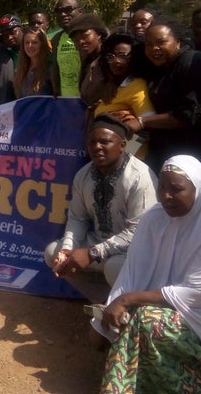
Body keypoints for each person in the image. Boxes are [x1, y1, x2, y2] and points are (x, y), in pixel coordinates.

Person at [83, 155, 201, 393]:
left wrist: (126, 300)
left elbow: (189, 295)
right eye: (162, 187)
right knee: (128, 318)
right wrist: (105, 318)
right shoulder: (154, 217)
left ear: (199, 191)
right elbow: (132, 273)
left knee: (146, 321)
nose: (166, 196)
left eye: (177, 189)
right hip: (160, 308)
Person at [47, 114, 157, 299]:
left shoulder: (140, 177)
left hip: (135, 251)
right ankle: (102, 301)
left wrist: (93, 252)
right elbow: (77, 218)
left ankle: (124, 307)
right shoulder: (83, 175)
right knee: (53, 253)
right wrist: (67, 249)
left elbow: (139, 232)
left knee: (114, 267)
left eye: (105, 142)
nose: (97, 147)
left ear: (122, 145)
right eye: (92, 143)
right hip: (98, 244)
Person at [118, 18, 201, 172]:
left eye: (161, 42)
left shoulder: (193, 63)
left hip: (187, 157)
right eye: (149, 44)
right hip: (161, 152)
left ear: (177, 42)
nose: (154, 48)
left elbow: (188, 115)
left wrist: (142, 122)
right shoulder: (160, 68)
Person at [93, 32, 155, 122]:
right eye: (111, 56)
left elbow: (149, 119)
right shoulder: (114, 84)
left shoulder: (137, 86)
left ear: (135, 57)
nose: (116, 61)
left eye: (122, 56)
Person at [65, 13, 108, 109]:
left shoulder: (110, 60)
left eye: (85, 36)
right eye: (76, 39)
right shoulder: (87, 62)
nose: (80, 42)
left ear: (98, 34)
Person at [49, 0, 83, 96]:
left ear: (80, 12)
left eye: (68, 9)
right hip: (64, 101)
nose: (63, 14)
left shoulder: (90, 37)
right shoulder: (56, 39)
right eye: (58, 11)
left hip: (86, 101)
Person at [14, 28, 54, 97]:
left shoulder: (50, 68)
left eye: (34, 42)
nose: (30, 46)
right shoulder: (21, 68)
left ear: (42, 44)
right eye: (27, 42)